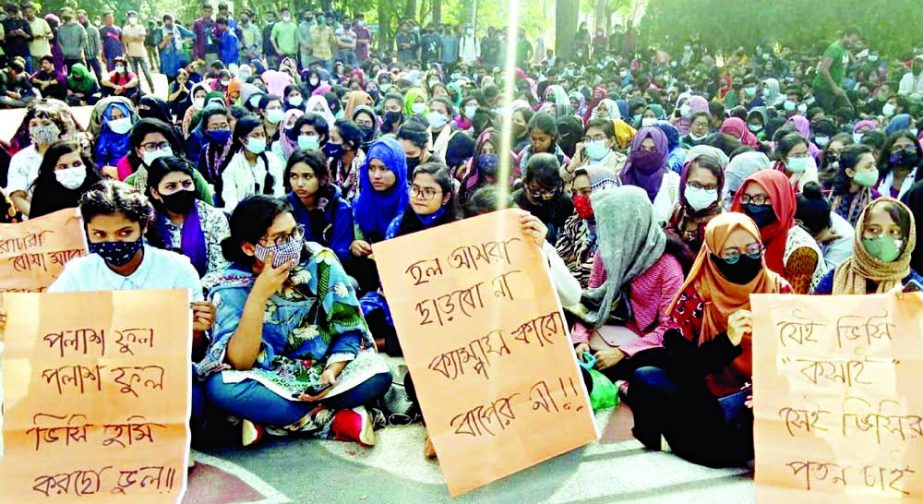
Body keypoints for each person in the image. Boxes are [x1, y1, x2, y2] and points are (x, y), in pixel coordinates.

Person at [198, 195, 392, 446]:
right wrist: (258, 296)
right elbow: (240, 362)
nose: (293, 244)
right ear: (249, 248)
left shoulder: (320, 260)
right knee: (219, 388)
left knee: (379, 373)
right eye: (280, 239)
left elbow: (348, 327)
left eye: (294, 233)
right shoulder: (230, 285)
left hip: (326, 371)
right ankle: (333, 419)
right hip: (269, 379)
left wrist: (332, 372)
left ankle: (271, 423)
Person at [44, 180, 215, 444]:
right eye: (100, 235)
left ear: (143, 228)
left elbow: (193, 351)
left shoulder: (176, 269)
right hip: (98, 379)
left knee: (193, 405)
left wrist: (196, 328)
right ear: (87, 231)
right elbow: (51, 332)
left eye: (124, 233)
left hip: (161, 376)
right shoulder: (79, 273)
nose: (112, 242)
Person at [629, 213, 790, 468]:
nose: (744, 260)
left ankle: (685, 441)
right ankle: (702, 443)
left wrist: (766, 391)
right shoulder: (696, 297)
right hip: (705, 396)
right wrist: (728, 342)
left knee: (749, 433)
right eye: (731, 255)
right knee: (646, 377)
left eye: (752, 250)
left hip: (758, 400)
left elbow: (795, 358)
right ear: (713, 255)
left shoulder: (778, 291)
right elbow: (681, 367)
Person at [570, 185, 689, 383]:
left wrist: (622, 352)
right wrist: (580, 339)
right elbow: (592, 298)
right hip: (608, 332)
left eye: (615, 227)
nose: (608, 234)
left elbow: (669, 327)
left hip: (644, 347)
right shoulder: (606, 252)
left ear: (635, 225)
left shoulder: (668, 266)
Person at [730, 170, 826, 293]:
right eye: (746, 198)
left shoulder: (800, 249)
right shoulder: (746, 234)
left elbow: (791, 301)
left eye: (760, 198)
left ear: (781, 201)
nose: (751, 204)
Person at [143, 155, 230, 292]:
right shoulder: (145, 222)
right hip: (157, 295)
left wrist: (193, 293)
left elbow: (221, 267)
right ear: (155, 193)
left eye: (186, 184)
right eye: (171, 186)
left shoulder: (212, 217)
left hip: (204, 296)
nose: (181, 190)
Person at [813, 198, 920, 294]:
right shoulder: (837, 277)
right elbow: (813, 310)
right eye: (873, 230)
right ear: (860, 233)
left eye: (894, 232)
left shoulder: (915, 287)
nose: (882, 238)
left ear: (907, 240)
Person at [348, 137, 408, 293]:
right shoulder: (360, 203)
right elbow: (358, 238)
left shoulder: (412, 204)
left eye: (384, 168)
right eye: (371, 168)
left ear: (398, 169)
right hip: (370, 276)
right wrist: (355, 245)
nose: (376, 175)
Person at [123, 118, 214, 206]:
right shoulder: (130, 184)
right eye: (151, 146)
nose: (158, 150)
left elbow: (210, 209)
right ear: (138, 151)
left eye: (163, 145)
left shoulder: (190, 176)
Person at [555, 166, 620, 288]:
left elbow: (593, 276)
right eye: (574, 193)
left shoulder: (620, 230)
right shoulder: (575, 223)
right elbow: (557, 259)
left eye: (585, 192)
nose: (578, 198)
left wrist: (567, 272)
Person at [285, 149, 353, 263]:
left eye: (307, 177)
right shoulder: (284, 207)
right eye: (294, 176)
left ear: (321, 178)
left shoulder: (340, 208)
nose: (299, 183)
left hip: (331, 270)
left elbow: (342, 253)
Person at [6, 102, 66, 215]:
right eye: (34, 125)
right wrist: (39, 217)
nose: (40, 129)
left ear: (59, 127)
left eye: (46, 124)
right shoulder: (21, 158)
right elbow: (17, 196)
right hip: (36, 222)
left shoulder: (73, 153)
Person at [221, 116, 285, 212]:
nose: (260, 139)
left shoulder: (272, 160)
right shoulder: (232, 164)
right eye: (255, 135)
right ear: (242, 139)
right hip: (242, 215)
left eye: (262, 135)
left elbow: (279, 191)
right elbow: (230, 199)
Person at [620, 126, 681, 225]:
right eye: (641, 148)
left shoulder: (672, 181)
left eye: (653, 150)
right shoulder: (623, 177)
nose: (646, 154)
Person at [28, 139, 102, 218]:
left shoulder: (99, 190)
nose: (71, 170)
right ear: (52, 170)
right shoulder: (42, 195)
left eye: (76, 164)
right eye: (63, 167)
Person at [512, 153, 574, 244]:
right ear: (526, 183)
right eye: (536, 190)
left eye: (550, 191)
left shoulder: (564, 202)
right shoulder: (514, 204)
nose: (544, 197)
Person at [670, 154, 725, 253]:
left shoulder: (723, 223)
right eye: (695, 185)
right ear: (684, 183)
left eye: (710, 187)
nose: (702, 192)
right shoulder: (678, 213)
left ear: (718, 189)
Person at [796, 182, 854, 270]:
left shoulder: (844, 237)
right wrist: (816, 241)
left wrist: (814, 244)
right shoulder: (794, 219)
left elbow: (824, 278)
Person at [812, 27, 862, 113]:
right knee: (826, 113)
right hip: (823, 88)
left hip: (837, 88)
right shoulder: (834, 48)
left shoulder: (845, 50)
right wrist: (834, 87)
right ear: (845, 36)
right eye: (852, 40)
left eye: (855, 42)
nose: (853, 44)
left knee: (849, 110)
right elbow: (823, 69)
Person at [829, 144, 880, 226]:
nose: (874, 169)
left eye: (874, 165)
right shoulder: (827, 191)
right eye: (868, 166)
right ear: (850, 172)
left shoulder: (875, 198)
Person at [876, 130, 922, 200]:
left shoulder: (921, 175)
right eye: (898, 148)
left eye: (909, 147)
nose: (904, 151)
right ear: (889, 151)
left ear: (916, 150)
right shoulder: (880, 176)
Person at [328, 119, 365, 202]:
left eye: (333, 140)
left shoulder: (364, 167)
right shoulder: (331, 163)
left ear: (348, 145)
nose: (329, 143)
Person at [94, 100, 134, 169]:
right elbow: (100, 160)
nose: (119, 120)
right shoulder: (105, 136)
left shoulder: (137, 131)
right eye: (114, 118)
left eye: (122, 116)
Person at [156, 14, 194, 82]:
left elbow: (192, 35)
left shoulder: (178, 28)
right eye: (167, 24)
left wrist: (183, 41)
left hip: (179, 57)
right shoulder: (160, 30)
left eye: (171, 23)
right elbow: (159, 47)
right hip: (168, 59)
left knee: (183, 78)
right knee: (171, 80)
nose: (169, 26)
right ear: (164, 23)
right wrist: (166, 40)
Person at [2, 4, 33, 73]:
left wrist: (23, 34)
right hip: (10, 52)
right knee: (12, 73)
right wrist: (10, 34)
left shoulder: (24, 22)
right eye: (9, 13)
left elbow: (31, 38)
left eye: (13, 13)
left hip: (24, 51)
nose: (11, 15)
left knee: (28, 72)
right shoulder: (4, 23)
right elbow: (2, 38)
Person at [56, 8, 87, 72]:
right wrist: (63, 51)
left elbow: (84, 40)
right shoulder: (60, 28)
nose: (64, 15)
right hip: (66, 58)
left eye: (66, 12)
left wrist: (79, 50)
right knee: (69, 78)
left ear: (71, 14)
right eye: (63, 13)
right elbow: (59, 41)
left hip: (78, 58)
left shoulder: (79, 27)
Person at [78, 10, 103, 82]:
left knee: (99, 74)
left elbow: (98, 43)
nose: (81, 19)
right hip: (83, 57)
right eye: (79, 18)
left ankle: (103, 90)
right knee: (85, 75)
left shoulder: (93, 29)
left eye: (82, 17)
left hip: (93, 56)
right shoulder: (78, 29)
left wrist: (98, 55)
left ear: (86, 16)